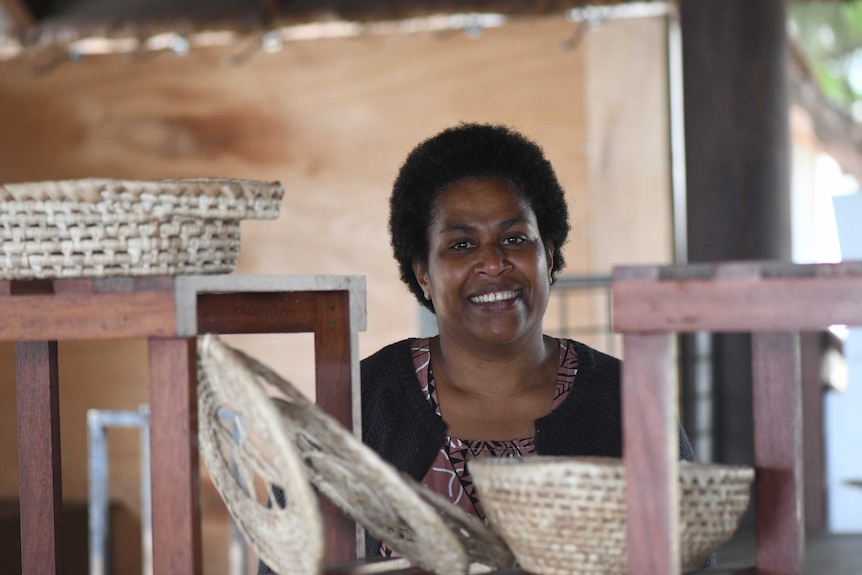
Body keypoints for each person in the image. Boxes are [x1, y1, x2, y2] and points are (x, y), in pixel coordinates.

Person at [359, 122, 703, 558]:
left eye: (514, 238)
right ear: (423, 273)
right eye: (461, 245)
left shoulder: (626, 399)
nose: (493, 262)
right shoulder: (362, 401)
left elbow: (691, 557)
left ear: (550, 254)